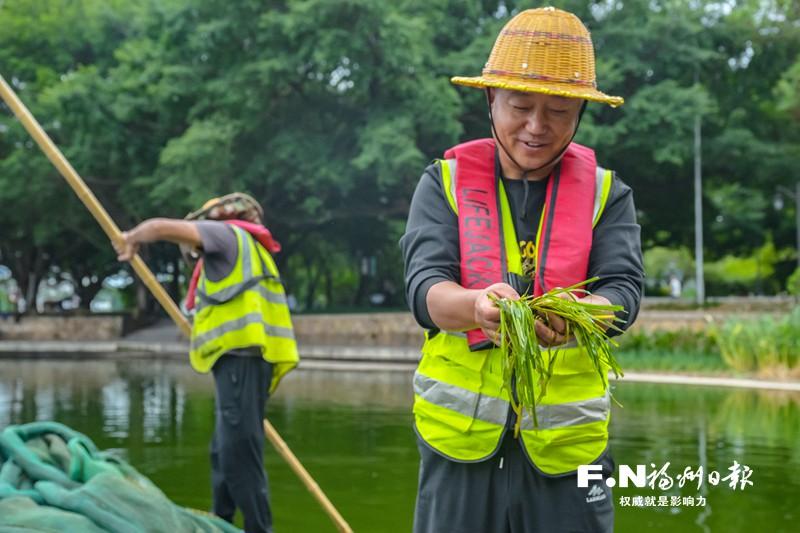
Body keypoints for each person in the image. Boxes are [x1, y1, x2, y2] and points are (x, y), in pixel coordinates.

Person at [400, 7, 644, 533]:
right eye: (520, 106)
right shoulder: (441, 183)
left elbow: (623, 292)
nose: (537, 126)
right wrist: (476, 308)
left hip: (569, 448)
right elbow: (425, 289)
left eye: (558, 109)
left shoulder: (608, 194)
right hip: (458, 442)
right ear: (491, 99)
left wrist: (582, 314)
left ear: (580, 111)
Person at [114, 193, 298, 533]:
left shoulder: (224, 235)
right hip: (244, 363)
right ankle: (221, 521)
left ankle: (259, 528)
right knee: (223, 451)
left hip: (241, 361)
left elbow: (160, 227)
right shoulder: (249, 247)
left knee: (240, 456)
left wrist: (131, 238)